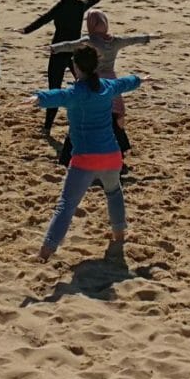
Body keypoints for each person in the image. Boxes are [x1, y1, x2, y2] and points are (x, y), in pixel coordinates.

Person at [30, 46, 140, 261]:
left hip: (85, 160)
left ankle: (45, 252)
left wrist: (38, 98)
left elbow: (58, 95)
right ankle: (119, 235)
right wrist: (139, 79)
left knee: (67, 205)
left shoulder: (76, 93)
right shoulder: (106, 87)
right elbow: (125, 83)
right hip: (112, 156)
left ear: (75, 67)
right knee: (114, 193)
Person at [46, 9, 152, 163]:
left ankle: (70, 156)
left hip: (91, 80)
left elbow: (70, 45)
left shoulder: (89, 41)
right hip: (110, 82)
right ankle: (120, 149)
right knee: (117, 116)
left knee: (82, 116)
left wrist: (55, 48)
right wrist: (148, 38)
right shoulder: (114, 41)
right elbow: (132, 40)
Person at [20, 0, 102, 136]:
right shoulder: (80, 6)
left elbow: (43, 19)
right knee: (88, 82)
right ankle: (95, 113)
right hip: (75, 53)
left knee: (54, 89)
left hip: (57, 52)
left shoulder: (59, 7)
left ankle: (47, 128)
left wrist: (26, 30)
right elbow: (89, 2)